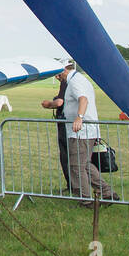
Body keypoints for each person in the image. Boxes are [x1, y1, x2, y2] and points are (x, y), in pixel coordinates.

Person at [58, 61, 118, 204]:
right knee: (85, 164)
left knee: (76, 166)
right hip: (84, 130)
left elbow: (83, 99)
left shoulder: (75, 82)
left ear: (65, 69)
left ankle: (85, 200)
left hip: (80, 132)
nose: (57, 77)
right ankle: (107, 193)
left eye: (58, 74)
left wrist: (79, 118)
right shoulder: (78, 79)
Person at [40, 65, 73, 193]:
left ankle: (73, 186)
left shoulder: (66, 83)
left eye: (59, 74)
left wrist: (48, 104)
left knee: (66, 155)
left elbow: (59, 102)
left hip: (65, 124)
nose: (57, 77)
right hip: (71, 123)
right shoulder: (76, 82)